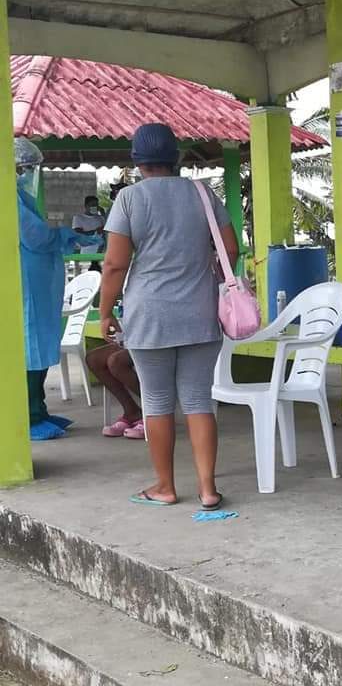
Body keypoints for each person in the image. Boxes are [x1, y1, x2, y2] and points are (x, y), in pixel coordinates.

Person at [100, 123, 238, 509]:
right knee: (198, 401)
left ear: (137, 161)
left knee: (157, 401)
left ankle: (165, 487)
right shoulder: (202, 192)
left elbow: (114, 264)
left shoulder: (129, 199)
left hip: (149, 315)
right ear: (175, 158)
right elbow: (230, 248)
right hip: (200, 312)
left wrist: (106, 311)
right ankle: (208, 489)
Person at [14, 137, 102, 440]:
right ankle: (30, 414)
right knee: (30, 350)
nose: (30, 175)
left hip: (38, 288)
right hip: (26, 291)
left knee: (36, 349)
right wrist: (70, 233)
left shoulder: (21, 199)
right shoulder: (10, 199)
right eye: (26, 169)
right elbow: (37, 238)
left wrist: (71, 235)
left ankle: (39, 408)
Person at [86, 342, 143, 439]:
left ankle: (154, 415)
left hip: (156, 341)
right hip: (134, 339)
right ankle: (132, 412)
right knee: (94, 359)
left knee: (116, 361)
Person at [73, 196, 107, 272]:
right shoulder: (78, 218)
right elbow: (77, 232)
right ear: (86, 206)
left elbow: (107, 231)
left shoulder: (100, 218)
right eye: (92, 205)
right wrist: (95, 232)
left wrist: (103, 214)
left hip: (100, 253)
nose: (94, 207)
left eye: (96, 205)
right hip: (86, 253)